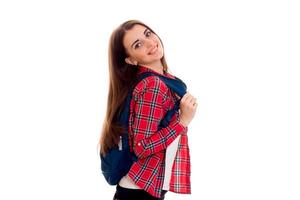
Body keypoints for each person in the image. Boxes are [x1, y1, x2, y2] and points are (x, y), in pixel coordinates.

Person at [99, 20, 197, 200]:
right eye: (138, 44)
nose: (150, 43)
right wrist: (183, 120)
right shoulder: (153, 85)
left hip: (145, 188)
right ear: (131, 59)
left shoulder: (166, 79)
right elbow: (141, 147)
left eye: (148, 34)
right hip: (139, 191)